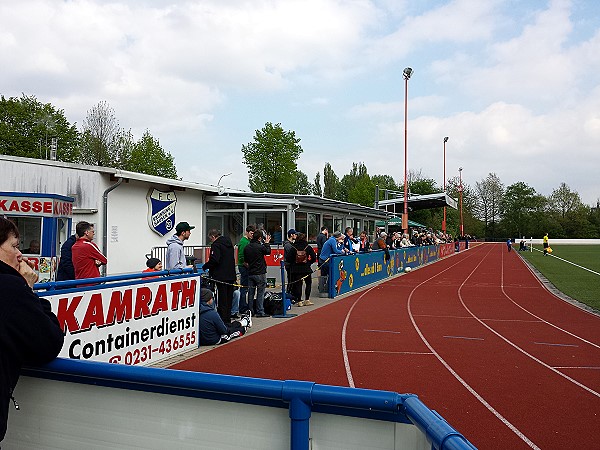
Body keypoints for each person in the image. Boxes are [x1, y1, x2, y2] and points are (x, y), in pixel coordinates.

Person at [0, 217, 64, 443]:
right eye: (14, 245)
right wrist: (29, 290)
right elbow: (48, 343)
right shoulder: (9, 288)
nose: (20, 254)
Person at [202, 229, 237, 323]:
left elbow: (215, 260)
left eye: (211, 239)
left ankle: (222, 318)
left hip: (221, 275)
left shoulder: (216, 245)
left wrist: (206, 266)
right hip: (231, 274)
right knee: (229, 297)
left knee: (222, 298)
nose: (211, 241)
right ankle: (228, 318)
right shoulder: (229, 244)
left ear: (213, 237)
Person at [243, 229, 271, 317]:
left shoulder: (247, 247)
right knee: (260, 292)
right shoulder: (260, 247)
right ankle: (260, 311)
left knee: (251, 293)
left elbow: (246, 260)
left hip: (251, 272)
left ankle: (251, 310)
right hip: (260, 272)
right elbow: (268, 252)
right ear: (259, 238)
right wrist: (267, 243)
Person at [286, 232, 316, 307]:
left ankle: (299, 301)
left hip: (296, 269)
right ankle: (307, 299)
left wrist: (294, 263)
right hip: (306, 269)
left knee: (298, 285)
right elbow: (314, 258)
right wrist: (308, 263)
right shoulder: (308, 247)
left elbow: (288, 258)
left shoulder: (293, 248)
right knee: (308, 283)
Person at [237, 225, 255, 315]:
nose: (252, 235)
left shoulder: (247, 241)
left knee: (245, 287)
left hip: (245, 265)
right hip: (243, 266)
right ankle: (242, 306)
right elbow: (241, 256)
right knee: (244, 287)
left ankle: (244, 305)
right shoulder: (244, 242)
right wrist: (246, 264)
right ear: (246, 232)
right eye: (251, 233)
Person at [283, 229, 297, 296]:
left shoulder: (290, 244)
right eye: (295, 234)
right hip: (289, 265)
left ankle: (290, 294)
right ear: (291, 235)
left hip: (290, 264)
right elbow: (291, 254)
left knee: (292, 280)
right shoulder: (288, 245)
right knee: (291, 280)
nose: (296, 236)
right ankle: (288, 294)